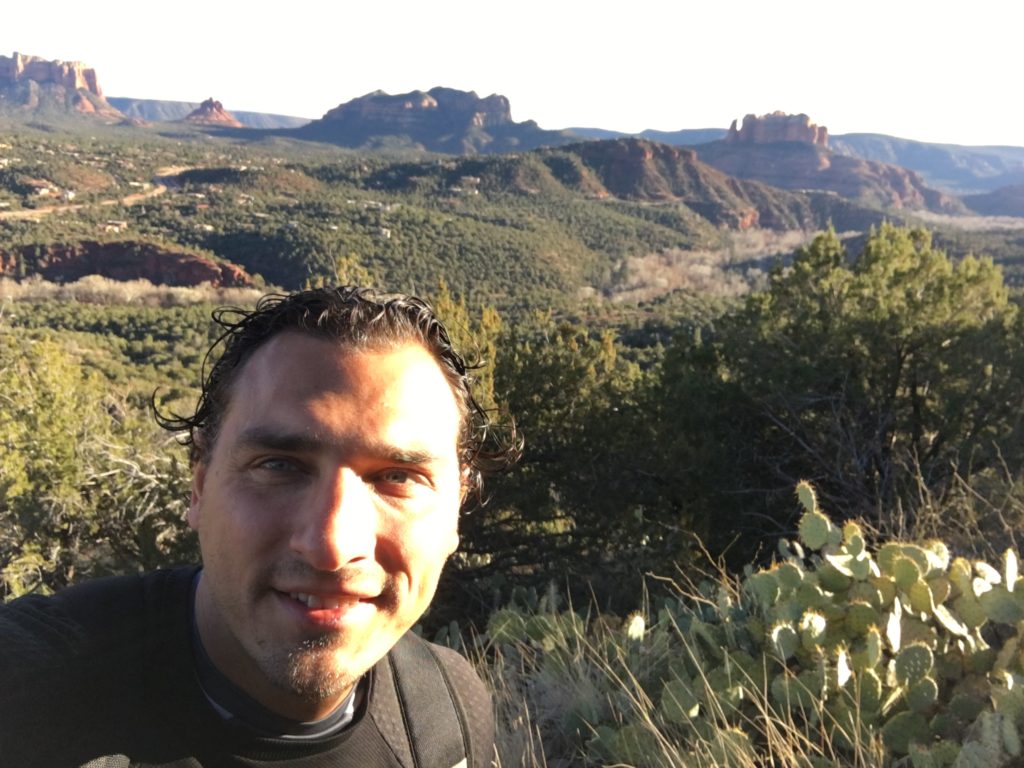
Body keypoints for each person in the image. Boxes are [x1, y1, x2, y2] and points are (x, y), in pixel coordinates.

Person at [0, 286, 518, 767]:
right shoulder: (25, 689)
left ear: (457, 507)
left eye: (398, 477)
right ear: (200, 485)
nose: (330, 546)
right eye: (279, 465)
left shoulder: (444, 710)